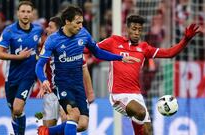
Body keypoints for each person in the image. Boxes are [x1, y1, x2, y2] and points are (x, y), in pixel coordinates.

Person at [35, 6, 139, 135]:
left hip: (78, 85)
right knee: (73, 114)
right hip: (62, 84)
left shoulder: (83, 34)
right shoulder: (53, 40)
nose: (80, 26)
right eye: (77, 22)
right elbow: (39, 65)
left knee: (83, 124)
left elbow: (98, 52)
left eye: (82, 22)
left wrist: (120, 58)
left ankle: (47, 132)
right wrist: (44, 80)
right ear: (67, 21)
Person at [97, 15, 200, 135]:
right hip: (118, 95)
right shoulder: (114, 41)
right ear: (127, 29)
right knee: (140, 113)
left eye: (139, 30)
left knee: (148, 131)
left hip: (136, 95)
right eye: (134, 29)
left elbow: (169, 53)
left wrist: (185, 40)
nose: (136, 33)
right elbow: (92, 48)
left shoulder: (144, 48)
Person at [0, 1, 43, 135]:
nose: (26, 14)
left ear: (32, 14)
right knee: (14, 112)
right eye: (23, 11)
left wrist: (40, 55)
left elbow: (43, 45)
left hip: (28, 77)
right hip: (11, 77)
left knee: (17, 108)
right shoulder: (9, 31)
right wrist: (19, 57)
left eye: (28, 12)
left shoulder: (38, 30)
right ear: (17, 13)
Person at [38, 16, 95, 127]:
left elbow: (84, 68)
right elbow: (41, 67)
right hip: (50, 91)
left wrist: (90, 92)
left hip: (66, 88)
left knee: (68, 117)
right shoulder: (47, 45)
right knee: (49, 125)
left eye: (50, 27)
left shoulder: (71, 45)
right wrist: (42, 84)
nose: (47, 30)